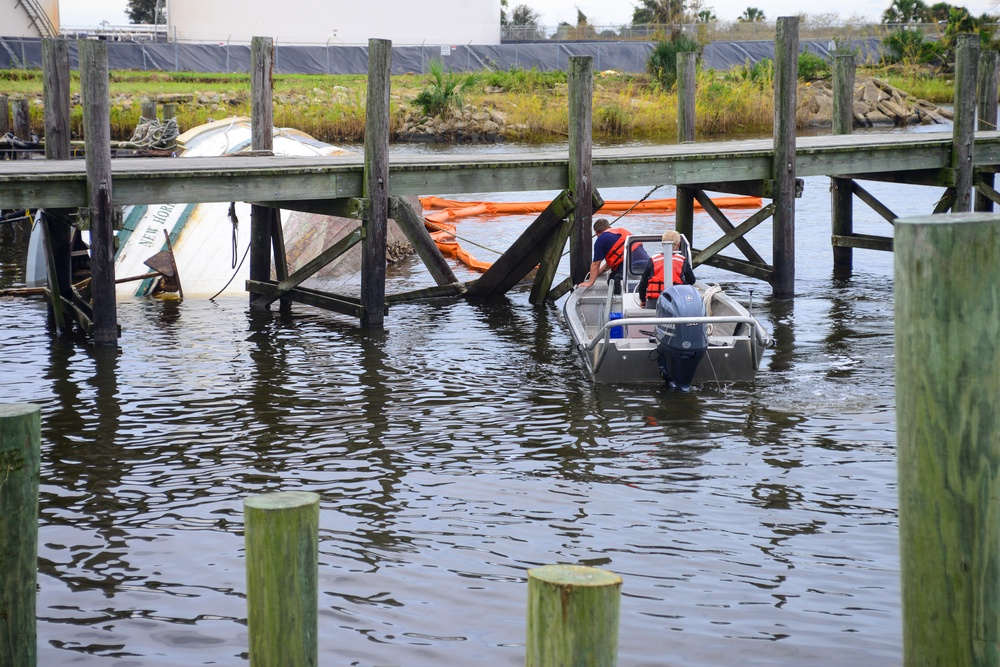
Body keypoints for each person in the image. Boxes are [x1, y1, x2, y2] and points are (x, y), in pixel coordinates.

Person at [576, 218, 649, 293]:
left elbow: (595, 264)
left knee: (612, 280)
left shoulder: (601, 239)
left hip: (631, 269)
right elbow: (612, 262)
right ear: (609, 227)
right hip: (648, 266)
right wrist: (599, 272)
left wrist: (590, 282)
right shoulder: (621, 232)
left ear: (596, 232)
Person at [638, 230, 696, 308]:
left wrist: (643, 300)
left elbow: (643, 283)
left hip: (654, 301)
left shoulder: (653, 260)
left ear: (662, 244)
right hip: (676, 299)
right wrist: (681, 284)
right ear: (678, 245)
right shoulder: (682, 260)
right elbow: (692, 280)